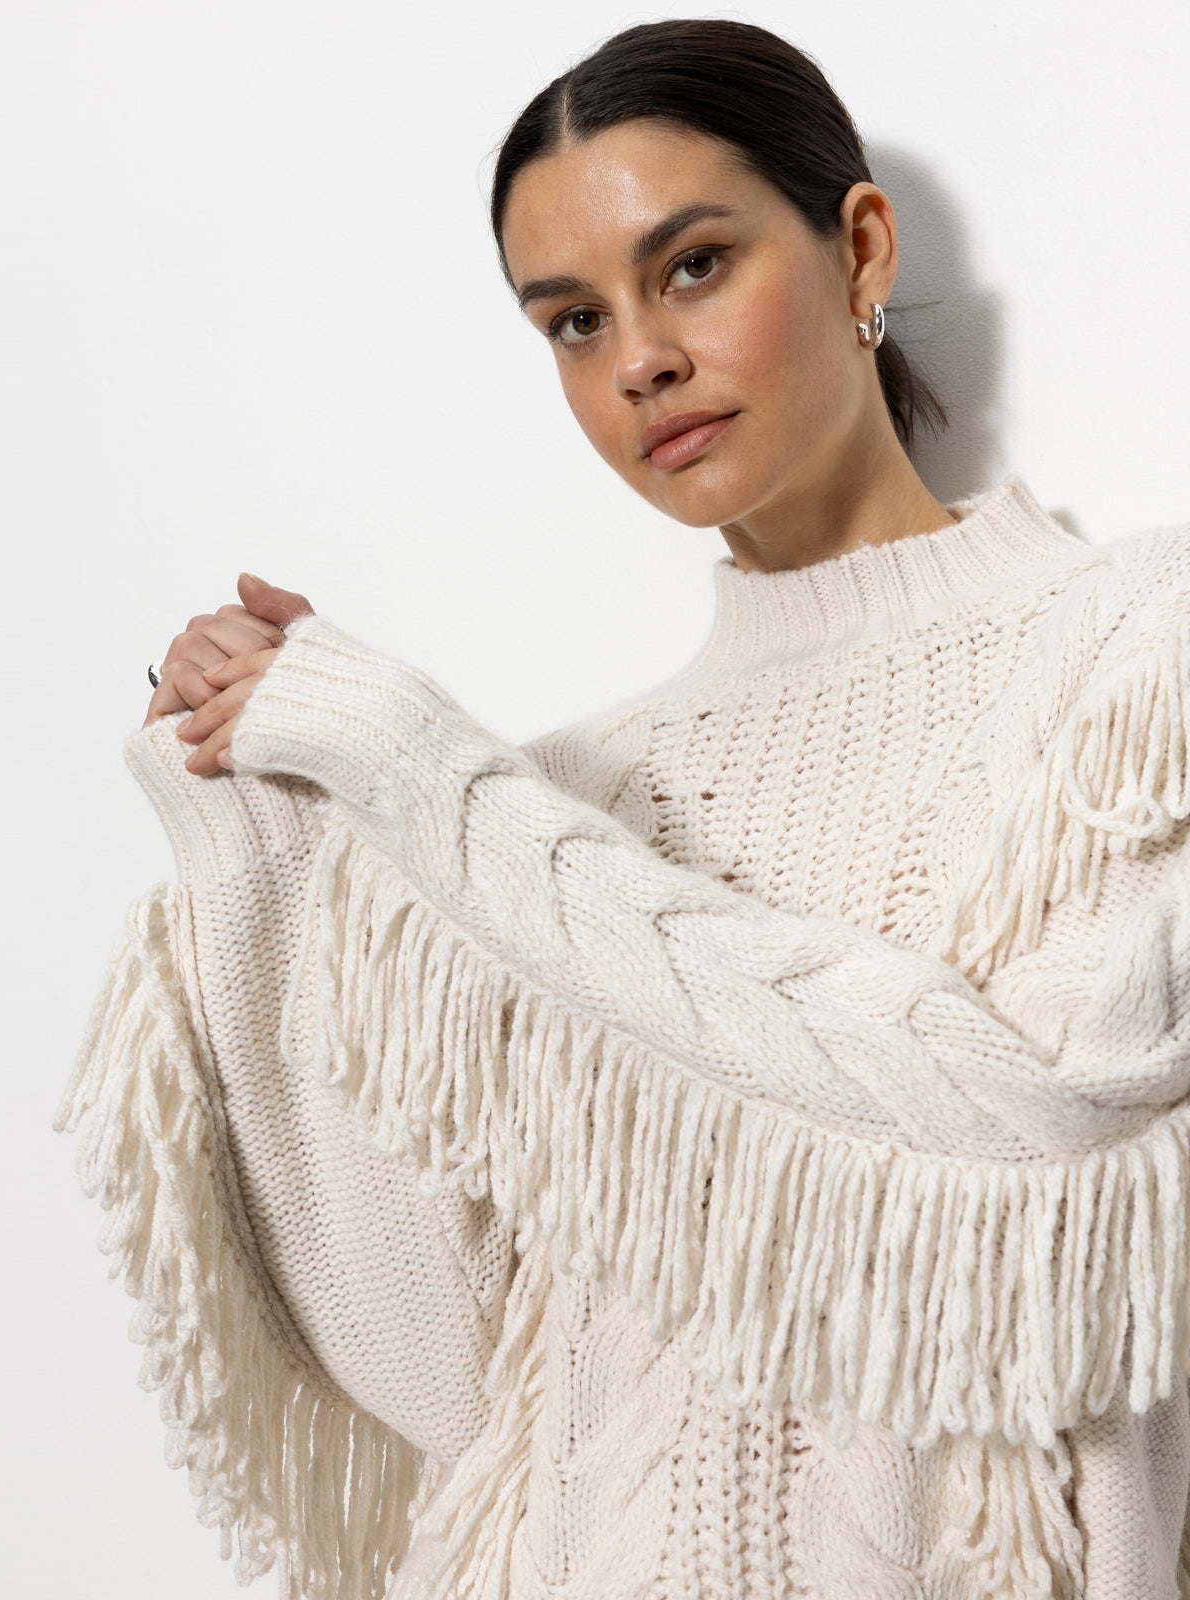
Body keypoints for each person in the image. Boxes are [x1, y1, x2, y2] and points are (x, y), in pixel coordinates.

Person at [58, 17, 1190, 1599]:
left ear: (860, 247)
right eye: (573, 321)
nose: (639, 358)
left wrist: (419, 771)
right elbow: (440, 1373)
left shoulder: (1137, 653)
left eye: (695, 266)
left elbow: (1056, 1174)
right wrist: (268, 835)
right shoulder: (556, 803)